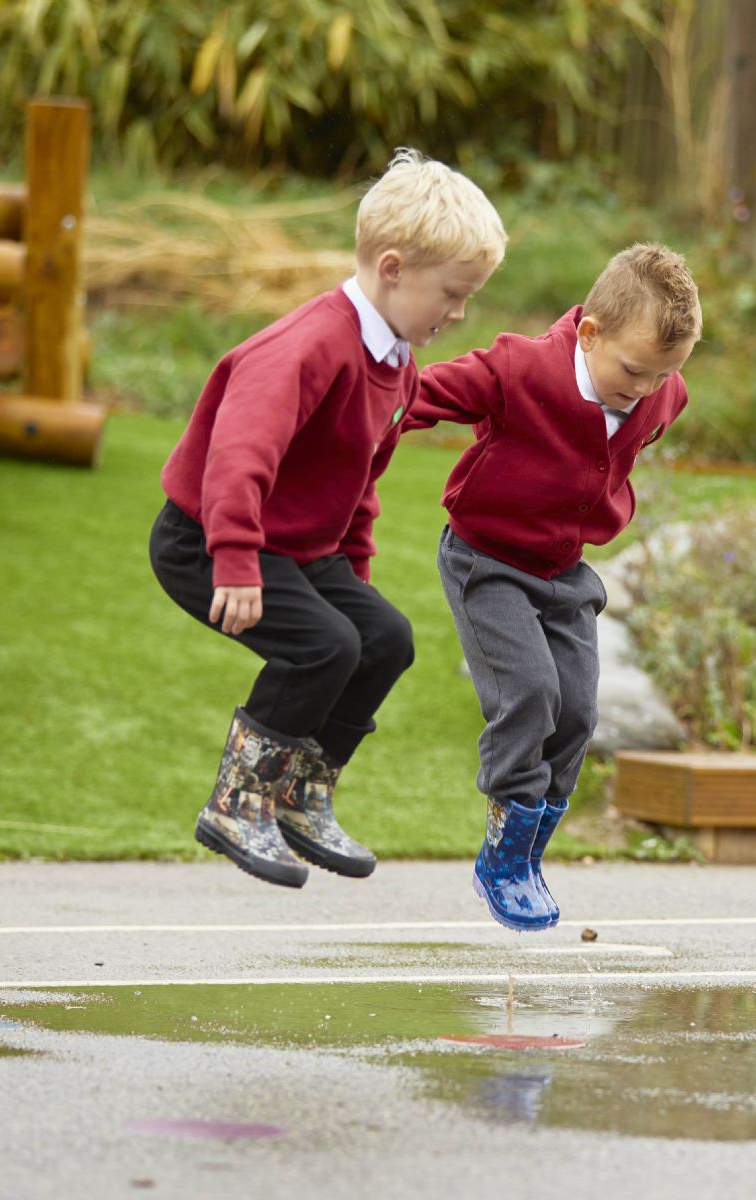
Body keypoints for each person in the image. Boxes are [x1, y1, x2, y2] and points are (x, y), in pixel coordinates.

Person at [149, 149, 506, 889]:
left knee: (383, 637)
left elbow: (360, 478)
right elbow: (238, 454)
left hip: (302, 549)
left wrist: (355, 575)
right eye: (452, 292)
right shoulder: (311, 345)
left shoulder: (397, 361)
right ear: (394, 266)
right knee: (322, 646)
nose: (459, 313)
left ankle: (303, 795)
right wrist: (237, 558)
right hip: (209, 538)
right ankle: (239, 801)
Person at [404, 243, 702, 930]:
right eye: (632, 370)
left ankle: (530, 853)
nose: (645, 389)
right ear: (589, 333)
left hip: (565, 570)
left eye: (662, 376)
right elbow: (418, 397)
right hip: (487, 560)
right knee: (531, 694)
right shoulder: (519, 368)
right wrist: (353, 431)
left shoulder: (663, 394)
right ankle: (502, 854)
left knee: (575, 712)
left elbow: (640, 419)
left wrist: (645, 391)